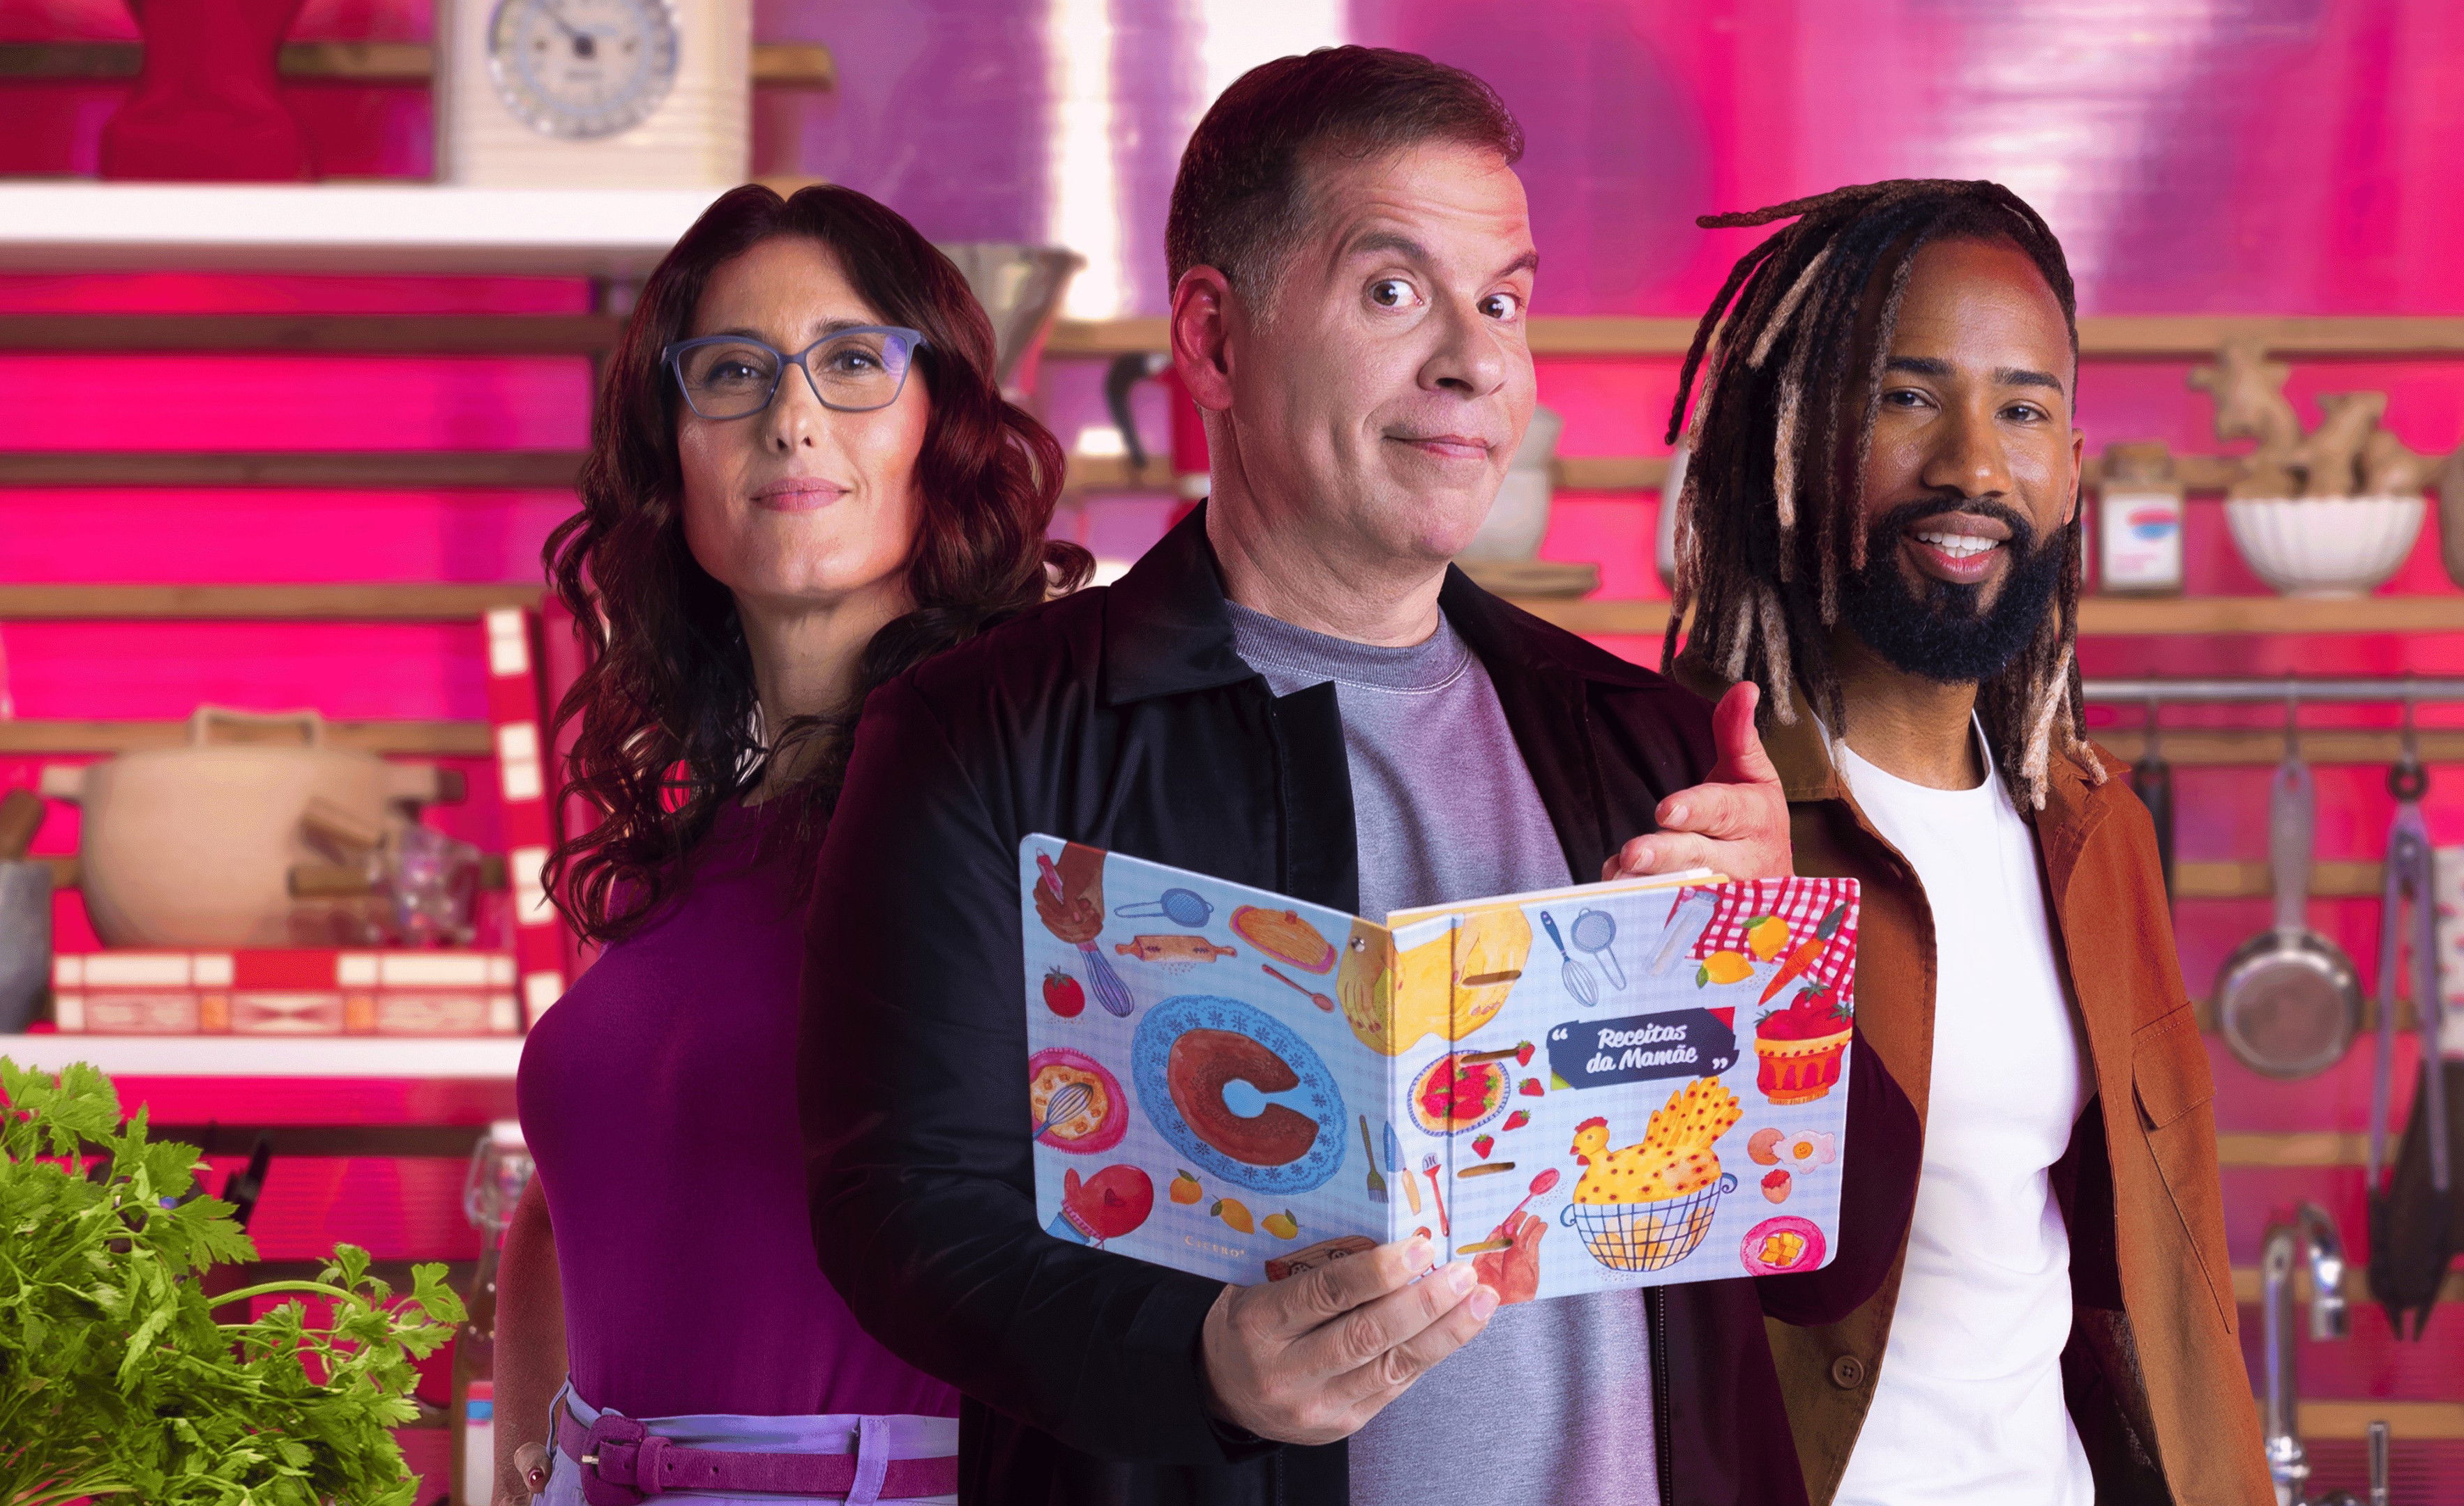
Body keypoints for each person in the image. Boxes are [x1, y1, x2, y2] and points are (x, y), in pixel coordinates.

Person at [800, 47, 1905, 1506]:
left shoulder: (1645, 740)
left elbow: (1829, 1264)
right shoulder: (984, 735)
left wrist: (1775, 980)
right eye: (1394, 292)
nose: (1475, 362)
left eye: (1502, 301)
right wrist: (1198, 1365)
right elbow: (904, 1215)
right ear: (1213, 341)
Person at [1656, 180, 2270, 1505]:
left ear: (2073, 466)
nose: (1975, 468)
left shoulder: (2096, 832)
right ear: (1791, 437)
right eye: (1906, 396)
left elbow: (2161, 1299)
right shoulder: (1678, 816)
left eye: (2024, 410)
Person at [491, 182, 1087, 1506]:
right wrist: (529, 1475)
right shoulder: (686, 841)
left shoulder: (1032, 808)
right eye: (733, 372)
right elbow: (561, 1211)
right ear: (671, 455)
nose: (792, 415)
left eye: (854, 361)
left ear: (943, 428)